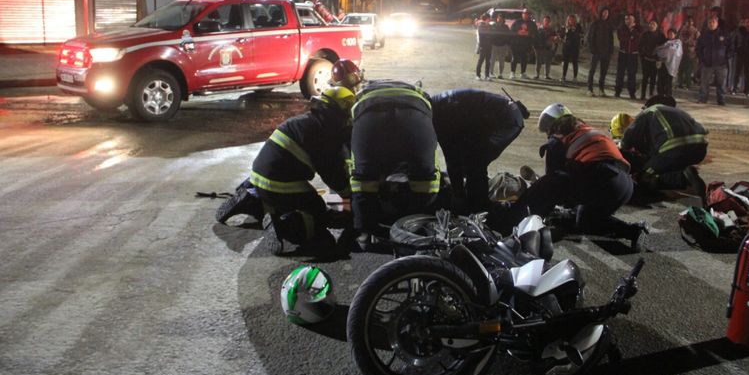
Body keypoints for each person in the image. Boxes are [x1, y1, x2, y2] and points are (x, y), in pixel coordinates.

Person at [217, 87, 356, 254]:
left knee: (283, 199)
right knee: (318, 211)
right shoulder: (325, 134)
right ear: (341, 112)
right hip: (280, 182)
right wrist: (350, 193)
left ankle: (251, 200)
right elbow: (332, 173)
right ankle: (282, 226)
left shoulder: (307, 121)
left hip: (257, 177)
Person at [501, 103, 648, 252]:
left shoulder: (558, 138)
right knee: (585, 222)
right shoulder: (590, 132)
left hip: (602, 179)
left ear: (552, 125)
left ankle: (510, 225)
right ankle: (633, 231)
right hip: (623, 185)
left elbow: (552, 181)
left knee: (547, 184)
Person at [350, 80, 440, 250]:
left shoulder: (360, 95)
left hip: (370, 119)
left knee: (363, 181)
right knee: (426, 180)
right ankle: (421, 231)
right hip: (415, 119)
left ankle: (364, 233)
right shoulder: (419, 93)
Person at [430, 89, 529, 213]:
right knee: (470, 161)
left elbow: (451, 156)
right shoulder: (437, 105)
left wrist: (458, 193)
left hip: (506, 121)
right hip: (504, 115)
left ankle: (480, 208)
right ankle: (475, 203)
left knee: (475, 161)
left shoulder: (439, 117)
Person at [616, 95, 708, 204]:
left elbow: (629, 137)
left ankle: (646, 196)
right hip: (700, 149)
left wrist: (621, 148)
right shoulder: (678, 113)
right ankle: (686, 175)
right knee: (669, 164)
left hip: (674, 149)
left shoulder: (650, 111)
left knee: (647, 171)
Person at [696, 16, 732, 105]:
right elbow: (698, 49)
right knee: (704, 83)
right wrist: (702, 59)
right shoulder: (704, 35)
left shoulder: (724, 35)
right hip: (707, 64)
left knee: (721, 83)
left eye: (713, 22)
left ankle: (721, 100)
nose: (711, 24)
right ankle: (702, 98)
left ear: (717, 23)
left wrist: (726, 57)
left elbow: (730, 48)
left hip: (721, 64)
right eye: (710, 22)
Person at [587, 6, 614, 96]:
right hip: (596, 51)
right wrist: (592, 49)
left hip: (606, 52)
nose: (605, 14)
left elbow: (611, 39)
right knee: (592, 70)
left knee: (603, 72)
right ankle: (589, 89)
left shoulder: (609, 25)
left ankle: (601, 89)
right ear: (601, 13)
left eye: (607, 13)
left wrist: (610, 50)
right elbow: (590, 37)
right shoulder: (595, 23)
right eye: (604, 12)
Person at [615, 13, 643, 99]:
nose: (628, 21)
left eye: (630, 19)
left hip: (633, 54)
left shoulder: (638, 29)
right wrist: (630, 36)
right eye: (626, 19)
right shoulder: (621, 28)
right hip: (623, 53)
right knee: (620, 73)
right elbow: (622, 38)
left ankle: (632, 92)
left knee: (632, 74)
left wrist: (632, 32)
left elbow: (638, 38)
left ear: (634, 20)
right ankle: (618, 91)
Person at [639, 20, 666, 100]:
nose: (651, 25)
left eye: (653, 24)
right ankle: (642, 94)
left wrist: (659, 58)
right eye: (650, 24)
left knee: (653, 78)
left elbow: (663, 47)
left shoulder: (661, 36)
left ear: (657, 26)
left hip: (655, 61)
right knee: (645, 78)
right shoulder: (645, 34)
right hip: (646, 59)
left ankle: (651, 94)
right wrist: (642, 56)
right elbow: (640, 46)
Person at [509, 8, 537, 79]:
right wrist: (518, 33)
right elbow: (511, 32)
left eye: (527, 13)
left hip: (526, 44)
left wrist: (529, 33)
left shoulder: (532, 23)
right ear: (522, 14)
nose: (525, 15)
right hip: (516, 43)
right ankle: (512, 73)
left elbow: (535, 33)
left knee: (524, 59)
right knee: (514, 58)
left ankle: (523, 73)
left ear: (529, 15)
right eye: (524, 13)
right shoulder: (517, 22)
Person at [655, 28, 683, 96]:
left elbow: (677, 53)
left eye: (672, 34)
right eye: (669, 34)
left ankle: (668, 95)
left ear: (675, 35)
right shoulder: (665, 42)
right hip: (663, 63)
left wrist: (668, 56)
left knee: (668, 81)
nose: (670, 35)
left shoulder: (677, 43)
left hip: (671, 64)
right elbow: (659, 50)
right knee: (661, 80)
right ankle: (660, 94)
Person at [732, 18, 749, 96]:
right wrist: (736, 50)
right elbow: (734, 41)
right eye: (747, 22)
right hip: (740, 54)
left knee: (747, 73)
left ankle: (746, 90)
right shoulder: (739, 31)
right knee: (737, 72)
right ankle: (734, 88)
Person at [677, 16, 700, 89]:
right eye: (688, 21)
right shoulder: (681, 30)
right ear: (686, 22)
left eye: (691, 21)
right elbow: (678, 38)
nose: (689, 23)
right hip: (681, 52)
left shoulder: (695, 31)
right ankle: (679, 83)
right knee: (681, 69)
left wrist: (691, 43)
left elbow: (699, 41)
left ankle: (688, 84)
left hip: (691, 53)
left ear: (693, 22)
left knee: (689, 70)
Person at [559, 14, 583, 83]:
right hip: (566, 47)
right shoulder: (565, 26)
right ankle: (563, 76)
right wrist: (566, 31)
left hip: (575, 47)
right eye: (570, 20)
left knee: (575, 62)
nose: (571, 21)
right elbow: (561, 35)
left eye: (573, 20)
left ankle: (575, 77)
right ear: (568, 20)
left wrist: (575, 31)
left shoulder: (578, 27)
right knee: (565, 62)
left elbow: (581, 34)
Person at [535, 15, 558, 80]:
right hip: (540, 47)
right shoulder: (539, 29)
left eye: (548, 21)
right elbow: (536, 38)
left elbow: (555, 37)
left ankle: (547, 75)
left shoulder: (552, 30)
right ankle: (537, 74)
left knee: (548, 62)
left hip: (548, 47)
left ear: (550, 21)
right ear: (543, 21)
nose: (547, 22)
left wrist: (554, 38)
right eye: (545, 21)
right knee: (538, 61)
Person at [490, 13, 511, 79]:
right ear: (497, 18)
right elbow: (490, 35)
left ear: (503, 19)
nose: (500, 19)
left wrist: (507, 46)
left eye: (501, 18)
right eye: (499, 18)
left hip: (503, 45)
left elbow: (508, 37)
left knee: (501, 61)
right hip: (494, 45)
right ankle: (491, 73)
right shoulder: (493, 25)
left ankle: (500, 74)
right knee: (492, 60)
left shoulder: (506, 27)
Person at [475, 13, 493, 80]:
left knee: (488, 61)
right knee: (481, 60)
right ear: (486, 18)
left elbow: (492, 35)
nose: (490, 19)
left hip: (489, 45)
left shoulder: (490, 26)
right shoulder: (481, 25)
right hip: (483, 45)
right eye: (489, 18)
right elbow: (482, 36)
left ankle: (487, 75)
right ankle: (478, 75)